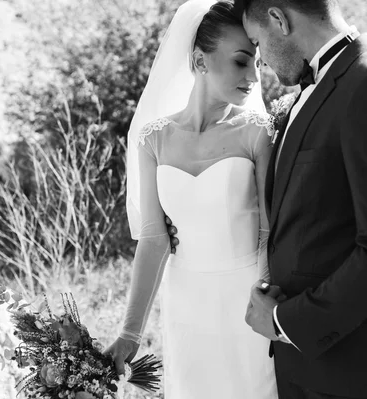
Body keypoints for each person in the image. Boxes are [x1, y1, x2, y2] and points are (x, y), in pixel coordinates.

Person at [236, 0, 367, 398]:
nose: (260, 62)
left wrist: (284, 321)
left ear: (279, 19)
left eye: (258, 43)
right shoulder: (318, 89)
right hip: (314, 366)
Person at [104, 1, 279, 398]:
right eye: (240, 62)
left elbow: (271, 230)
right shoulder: (153, 140)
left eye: (258, 63)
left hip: (248, 301)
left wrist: (266, 299)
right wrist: (130, 333)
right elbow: (153, 240)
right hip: (186, 305)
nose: (253, 76)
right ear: (200, 61)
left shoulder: (257, 133)